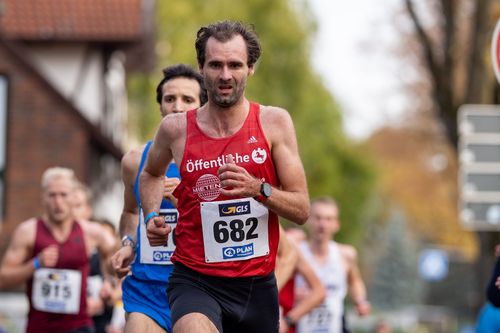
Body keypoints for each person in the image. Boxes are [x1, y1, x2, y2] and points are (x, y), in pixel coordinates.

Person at [140, 20, 310, 333]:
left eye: (235, 65)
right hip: (194, 280)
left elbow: (301, 210)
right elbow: (150, 173)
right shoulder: (176, 130)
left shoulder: (274, 123)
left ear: (251, 68)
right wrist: (151, 215)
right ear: (201, 67)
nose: (225, 75)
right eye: (216, 65)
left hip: (256, 287)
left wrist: (258, 189)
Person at [110, 64, 206, 333]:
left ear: (201, 107)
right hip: (147, 290)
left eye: (187, 100)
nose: (177, 106)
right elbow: (130, 213)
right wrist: (128, 243)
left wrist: (181, 200)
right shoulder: (134, 160)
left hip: (198, 290)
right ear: (160, 107)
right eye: (170, 99)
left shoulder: (213, 162)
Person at [0, 167, 116, 333]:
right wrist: (35, 264)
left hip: (80, 327)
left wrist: (108, 282)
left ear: (72, 197)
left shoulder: (91, 232)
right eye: (52, 195)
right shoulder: (28, 231)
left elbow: (116, 257)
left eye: (63, 195)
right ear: (43, 197)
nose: (58, 202)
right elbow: (3, 279)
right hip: (39, 328)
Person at [295, 196, 371, 333]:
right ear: (308, 221)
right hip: (300, 326)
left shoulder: (346, 254)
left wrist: (360, 301)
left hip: (335, 326)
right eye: (318, 218)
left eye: (329, 219)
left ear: (337, 224)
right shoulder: (296, 253)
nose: (322, 224)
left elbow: (355, 281)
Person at [73, 182, 117, 333]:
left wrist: (108, 286)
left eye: (77, 205)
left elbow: (118, 274)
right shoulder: (49, 242)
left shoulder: (101, 241)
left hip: (97, 324)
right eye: (69, 204)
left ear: (87, 210)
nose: (71, 211)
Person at [276, 226, 325, 333]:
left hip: (285, 326)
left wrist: (288, 320)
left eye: (300, 243)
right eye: (291, 240)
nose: (296, 246)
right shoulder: (267, 252)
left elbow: (319, 291)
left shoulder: (296, 258)